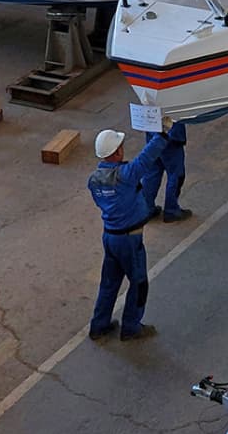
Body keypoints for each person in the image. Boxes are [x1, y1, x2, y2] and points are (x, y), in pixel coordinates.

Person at [88, 124, 174, 341]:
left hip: (109, 236)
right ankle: (131, 327)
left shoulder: (94, 180)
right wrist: (163, 134)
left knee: (109, 283)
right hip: (129, 239)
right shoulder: (125, 176)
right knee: (138, 282)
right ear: (117, 152)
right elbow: (146, 158)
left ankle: (99, 325)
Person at [142, 119, 192, 224]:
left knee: (153, 172)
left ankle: (145, 209)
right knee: (176, 174)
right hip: (169, 134)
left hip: (151, 127)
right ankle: (171, 210)